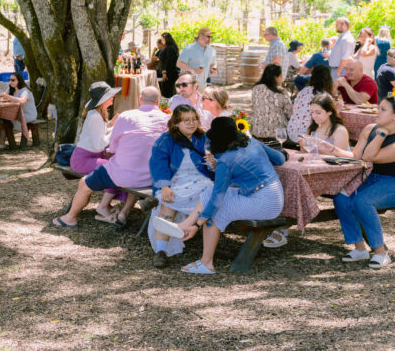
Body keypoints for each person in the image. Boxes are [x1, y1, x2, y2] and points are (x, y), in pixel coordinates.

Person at [175, 117, 285, 274]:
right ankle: (186, 224)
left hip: (263, 203)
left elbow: (218, 199)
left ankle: (206, 263)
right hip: (275, 194)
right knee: (208, 192)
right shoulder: (251, 142)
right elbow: (280, 159)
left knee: (215, 213)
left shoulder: (225, 161)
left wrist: (199, 225)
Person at [54, 86, 168, 228]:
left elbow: (112, 147)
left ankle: (69, 218)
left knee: (86, 183)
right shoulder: (168, 119)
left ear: (140, 100)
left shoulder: (127, 116)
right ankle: (122, 213)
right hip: (149, 177)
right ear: (158, 102)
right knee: (131, 171)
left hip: (122, 175)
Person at [323, 95, 395, 268]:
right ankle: (360, 248)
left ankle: (381, 253)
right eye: (378, 108)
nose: (377, 112)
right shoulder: (370, 128)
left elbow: (369, 156)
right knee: (341, 197)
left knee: (363, 201)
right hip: (372, 179)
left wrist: (382, 134)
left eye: (383, 110)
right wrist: (331, 149)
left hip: (392, 181)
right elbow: (356, 156)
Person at [147, 104, 214, 268]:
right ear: (176, 123)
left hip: (200, 179)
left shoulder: (203, 138)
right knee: (168, 203)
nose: (191, 123)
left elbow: (217, 162)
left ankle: (205, 245)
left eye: (194, 119)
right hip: (175, 180)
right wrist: (164, 186)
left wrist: (213, 164)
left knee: (210, 192)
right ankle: (161, 251)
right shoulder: (166, 140)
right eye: (186, 120)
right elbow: (157, 164)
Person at [69, 81, 127, 221]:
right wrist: (114, 133)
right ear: (103, 99)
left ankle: (105, 205)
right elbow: (98, 145)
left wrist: (112, 126)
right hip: (83, 159)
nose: (113, 97)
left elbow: (100, 134)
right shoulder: (95, 116)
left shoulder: (98, 114)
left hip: (90, 156)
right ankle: (103, 206)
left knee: (119, 166)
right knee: (114, 169)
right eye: (111, 95)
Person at [0, 72, 37, 150]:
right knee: (0, 118)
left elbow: (22, 101)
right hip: (17, 113)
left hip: (27, 114)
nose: (10, 82)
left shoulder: (24, 90)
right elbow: (4, 94)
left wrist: (8, 97)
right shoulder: (11, 88)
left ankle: (2, 143)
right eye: (10, 80)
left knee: (5, 119)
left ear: (19, 80)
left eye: (13, 80)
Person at [249, 64, 292, 140]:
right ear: (276, 77)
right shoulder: (281, 91)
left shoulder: (256, 88)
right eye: (281, 76)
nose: (282, 79)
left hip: (257, 132)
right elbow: (290, 114)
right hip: (277, 135)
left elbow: (254, 107)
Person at [158, 32, 180, 99]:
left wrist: (164, 72)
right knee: (168, 92)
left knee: (167, 92)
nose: (161, 41)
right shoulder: (169, 47)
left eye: (162, 39)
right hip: (169, 73)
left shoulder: (170, 48)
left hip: (169, 74)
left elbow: (168, 62)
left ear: (166, 39)